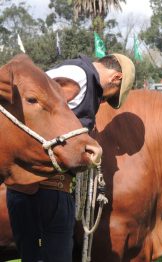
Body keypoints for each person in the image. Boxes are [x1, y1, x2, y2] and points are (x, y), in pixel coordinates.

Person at [6, 53, 135, 262]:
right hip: (47, 189)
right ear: (116, 77)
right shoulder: (79, 75)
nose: (104, 100)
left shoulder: (78, 74)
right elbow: (34, 97)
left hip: (36, 189)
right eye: (111, 95)